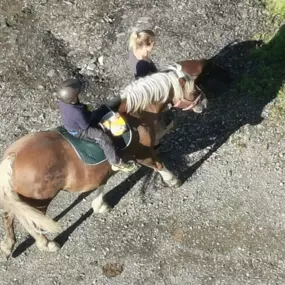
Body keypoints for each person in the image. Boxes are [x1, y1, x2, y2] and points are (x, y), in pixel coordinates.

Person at [57, 78, 135, 172]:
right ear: (73, 98)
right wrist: (103, 124)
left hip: (76, 121)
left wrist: (87, 111)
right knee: (104, 138)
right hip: (81, 130)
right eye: (77, 94)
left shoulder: (63, 101)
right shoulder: (76, 112)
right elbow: (86, 125)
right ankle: (116, 163)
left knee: (99, 111)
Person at [128, 29, 173, 153]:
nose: (154, 45)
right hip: (151, 93)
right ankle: (156, 143)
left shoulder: (133, 50)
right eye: (153, 43)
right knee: (158, 118)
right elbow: (147, 85)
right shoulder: (142, 65)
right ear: (146, 44)